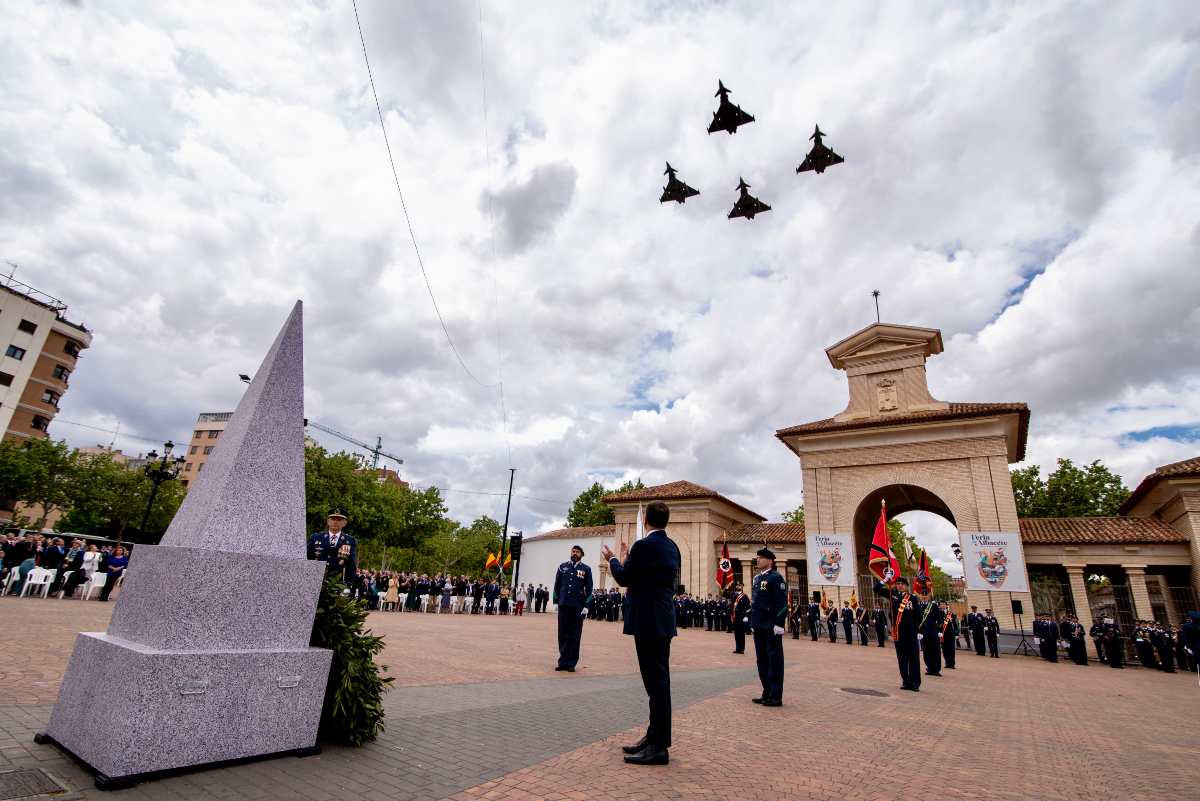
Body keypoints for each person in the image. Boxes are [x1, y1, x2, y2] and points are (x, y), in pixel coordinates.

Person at [601, 501, 680, 766]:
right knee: (658, 684)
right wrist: (628, 560)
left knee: (656, 685)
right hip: (662, 621)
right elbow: (647, 577)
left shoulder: (644, 546)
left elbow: (624, 579)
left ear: (646, 520)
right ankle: (653, 736)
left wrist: (613, 559)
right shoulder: (672, 547)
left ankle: (659, 747)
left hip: (648, 621)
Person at [748, 547, 787, 707]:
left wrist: (779, 623)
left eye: (761, 558)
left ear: (770, 561)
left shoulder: (776, 578)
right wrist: (752, 622)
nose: (758, 560)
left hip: (771, 626)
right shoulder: (757, 579)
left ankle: (776, 695)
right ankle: (767, 692)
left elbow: (782, 603)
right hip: (759, 625)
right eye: (757, 557)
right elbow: (756, 603)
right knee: (762, 660)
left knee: (774, 660)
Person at [876, 576, 923, 691]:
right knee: (902, 659)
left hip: (911, 632)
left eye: (902, 583)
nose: (900, 585)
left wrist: (919, 631)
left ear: (907, 586)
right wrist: (885, 580)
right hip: (898, 632)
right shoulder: (893, 596)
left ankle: (915, 683)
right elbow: (876, 589)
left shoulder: (913, 598)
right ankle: (906, 682)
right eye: (898, 584)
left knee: (913, 658)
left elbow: (918, 615)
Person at [553, 545, 592, 672]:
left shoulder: (586, 569)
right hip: (564, 605)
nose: (575, 553)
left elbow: (589, 589)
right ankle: (562, 661)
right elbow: (556, 585)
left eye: (577, 552)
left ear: (581, 554)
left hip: (578, 607)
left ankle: (571, 663)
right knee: (563, 633)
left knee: (575, 635)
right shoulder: (562, 566)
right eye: (573, 551)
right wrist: (555, 601)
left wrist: (586, 605)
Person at [306, 510, 358, 587]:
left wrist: (348, 585)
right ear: (328, 521)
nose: (335, 522)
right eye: (333, 519)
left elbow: (351, 566)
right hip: (314, 581)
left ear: (344, 523)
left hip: (335, 584)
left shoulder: (349, 541)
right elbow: (308, 559)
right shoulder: (316, 537)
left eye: (339, 520)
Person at [920, 596, 943, 677]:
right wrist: (918, 631)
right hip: (924, 632)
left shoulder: (933, 606)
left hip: (933, 631)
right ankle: (929, 668)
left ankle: (936, 669)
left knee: (935, 650)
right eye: (922, 595)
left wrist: (940, 630)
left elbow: (939, 619)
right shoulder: (919, 605)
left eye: (926, 595)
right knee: (926, 650)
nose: (924, 597)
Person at [730, 584, 750, 654]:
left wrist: (746, 616)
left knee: (741, 634)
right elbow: (732, 607)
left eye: (739, 586)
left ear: (742, 587)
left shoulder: (744, 596)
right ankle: (737, 648)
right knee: (736, 634)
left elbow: (748, 607)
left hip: (742, 618)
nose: (738, 587)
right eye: (737, 586)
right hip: (735, 618)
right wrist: (731, 615)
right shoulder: (733, 595)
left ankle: (742, 649)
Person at [939, 602, 957, 669]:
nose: (942, 605)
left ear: (946, 606)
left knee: (951, 648)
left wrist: (956, 633)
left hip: (950, 633)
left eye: (943, 604)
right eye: (941, 604)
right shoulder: (938, 613)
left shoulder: (950, 614)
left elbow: (955, 624)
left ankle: (952, 663)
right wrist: (939, 632)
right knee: (944, 648)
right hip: (942, 634)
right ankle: (947, 662)